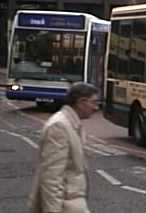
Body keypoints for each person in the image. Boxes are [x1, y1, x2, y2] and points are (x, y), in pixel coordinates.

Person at [27, 83, 100, 213]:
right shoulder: (59, 126)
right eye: (94, 102)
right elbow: (51, 176)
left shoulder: (73, 124)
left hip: (72, 201)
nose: (96, 107)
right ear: (81, 102)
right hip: (66, 204)